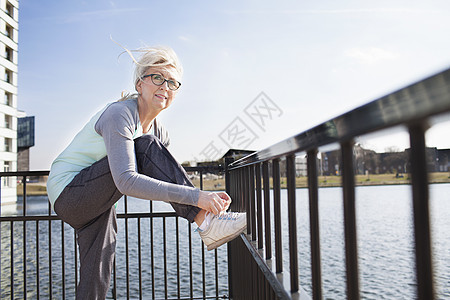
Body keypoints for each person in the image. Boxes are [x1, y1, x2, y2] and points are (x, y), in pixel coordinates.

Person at [46, 45, 246, 299]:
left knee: (97, 273)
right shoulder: (120, 114)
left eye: (172, 83)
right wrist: (198, 198)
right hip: (70, 193)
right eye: (157, 78)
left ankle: (207, 220)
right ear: (140, 84)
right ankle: (206, 222)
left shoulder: (160, 132)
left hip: (99, 201)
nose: (165, 86)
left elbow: (162, 173)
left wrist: (199, 195)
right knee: (146, 145)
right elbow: (126, 180)